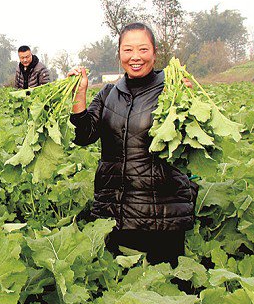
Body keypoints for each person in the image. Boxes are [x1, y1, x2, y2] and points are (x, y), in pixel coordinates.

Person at [68, 23, 198, 266]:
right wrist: (79, 94)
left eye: (143, 49)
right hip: (116, 214)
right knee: (118, 294)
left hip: (163, 218)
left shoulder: (173, 89)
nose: (135, 57)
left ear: (154, 53)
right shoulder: (108, 94)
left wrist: (188, 103)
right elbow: (83, 135)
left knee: (164, 296)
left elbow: (191, 146)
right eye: (128, 50)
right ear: (119, 54)